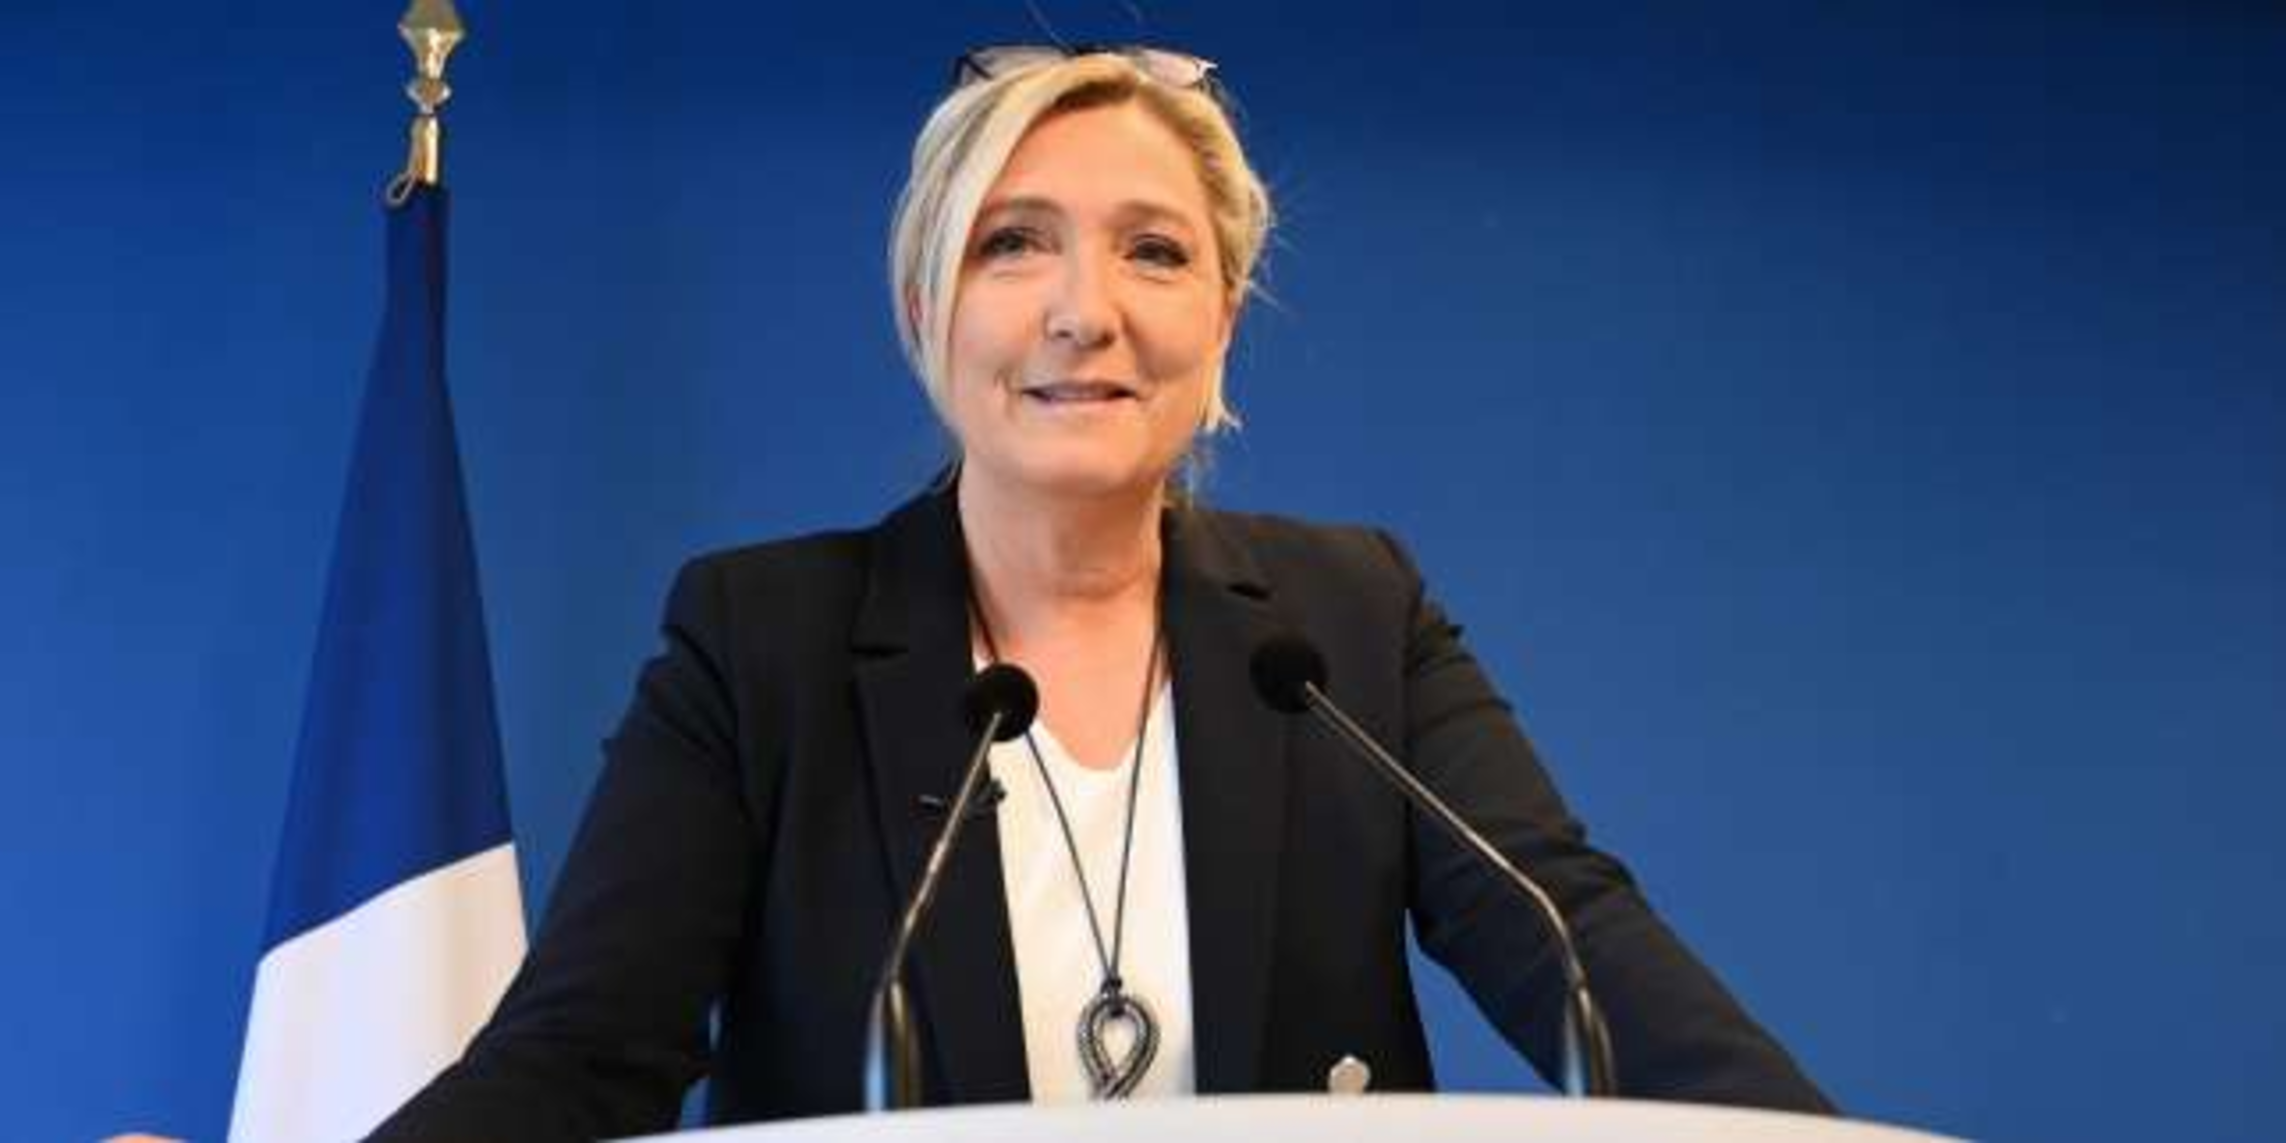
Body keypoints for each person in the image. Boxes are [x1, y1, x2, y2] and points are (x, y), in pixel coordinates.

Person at [374, 45, 1831, 1140]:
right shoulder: (760, 642)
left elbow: (1581, 951)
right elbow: (583, 1051)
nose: (1087, 310)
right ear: (924, 309)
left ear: (1223, 319)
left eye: (1155, 251)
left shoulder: (1349, 621)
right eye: (1013, 243)